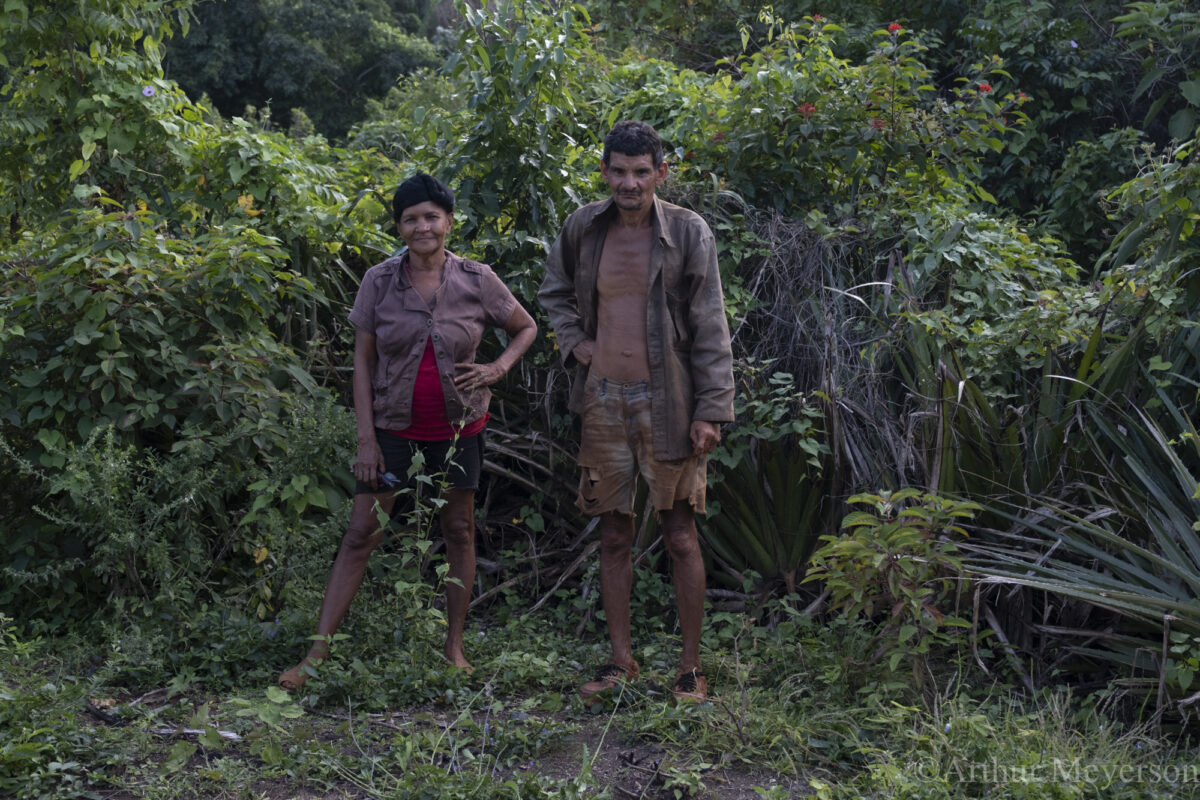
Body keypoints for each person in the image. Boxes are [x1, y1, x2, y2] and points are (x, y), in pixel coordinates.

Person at [278, 173, 537, 691]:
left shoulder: (476, 278)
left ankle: (454, 647)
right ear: (399, 226)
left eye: (431, 216)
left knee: (458, 531)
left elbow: (525, 326)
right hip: (393, 429)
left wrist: (497, 369)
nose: (422, 226)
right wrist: (367, 439)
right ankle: (316, 655)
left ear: (448, 222)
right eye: (411, 218)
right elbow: (362, 361)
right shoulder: (379, 280)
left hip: (459, 427)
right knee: (360, 534)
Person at [538, 120, 734, 705]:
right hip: (602, 400)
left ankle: (691, 669)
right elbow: (553, 293)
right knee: (613, 534)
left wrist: (712, 410)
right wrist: (577, 341)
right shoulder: (583, 227)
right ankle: (621, 661)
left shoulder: (687, 231)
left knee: (679, 533)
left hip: (668, 402)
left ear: (660, 173)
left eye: (641, 172)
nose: (629, 182)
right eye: (618, 171)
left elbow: (710, 322)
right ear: (604, 171)